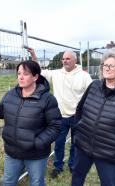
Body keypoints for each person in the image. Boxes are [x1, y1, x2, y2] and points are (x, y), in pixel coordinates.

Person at [0, 60, 62, 186]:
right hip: (12, 152)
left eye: (26, 74)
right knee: (8, 182)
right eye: (19, 73)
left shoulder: (47, 99)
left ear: (35, 77)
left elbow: (55, 126)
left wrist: (37, 143)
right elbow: (0, 112)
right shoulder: (11, 94)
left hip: (36, 154)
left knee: (37, 182)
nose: (21, 77)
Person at [28, 48, 92, 178]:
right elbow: (38, 70)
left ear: (75, 60)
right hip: (60, 116)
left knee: (76, 144)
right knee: (59, 144)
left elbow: (91, 93)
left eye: (68, 58)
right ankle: (58, 166)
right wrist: (34, 55)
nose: (64, 61)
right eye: (63, 59)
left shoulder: (84, 76)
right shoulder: (56, 73)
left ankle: (73, 166)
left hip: (78, 117)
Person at [72, 49, 115, 186]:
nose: (107, 68)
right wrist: (78, 129)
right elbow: (80, 109)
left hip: (109, 151)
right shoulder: (94, 86)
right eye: (105, 65)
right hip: (84, 145)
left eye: (111, 66)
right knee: (77, 177)